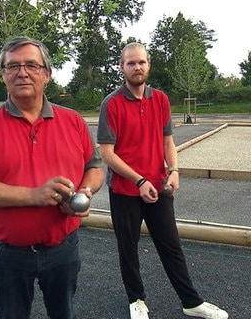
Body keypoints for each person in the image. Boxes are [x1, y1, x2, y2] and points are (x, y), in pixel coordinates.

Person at [0, 36, 104, 319]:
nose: (22, 72)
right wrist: (34, 195)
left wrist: (84, 193)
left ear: (47, 74)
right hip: (8, 253)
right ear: (3, 75)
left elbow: (95, 166)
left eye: (31, 65)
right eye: (12, 66)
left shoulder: (73, 121)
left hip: (64, 247)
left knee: (64, 314)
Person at [97, 42, 229, 319]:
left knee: (171, 246)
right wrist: (138, 180)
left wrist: (175, 170)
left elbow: (167, 141)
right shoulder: (112, 103)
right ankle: (136, 300)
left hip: (158, 186)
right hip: (125, 191)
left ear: (149, 64)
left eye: (141, 62)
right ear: (122, 67)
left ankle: (191, 301)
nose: (137, 67)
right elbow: (107, 153)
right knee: (128, 248)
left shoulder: (161, 100)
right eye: (131, 63)